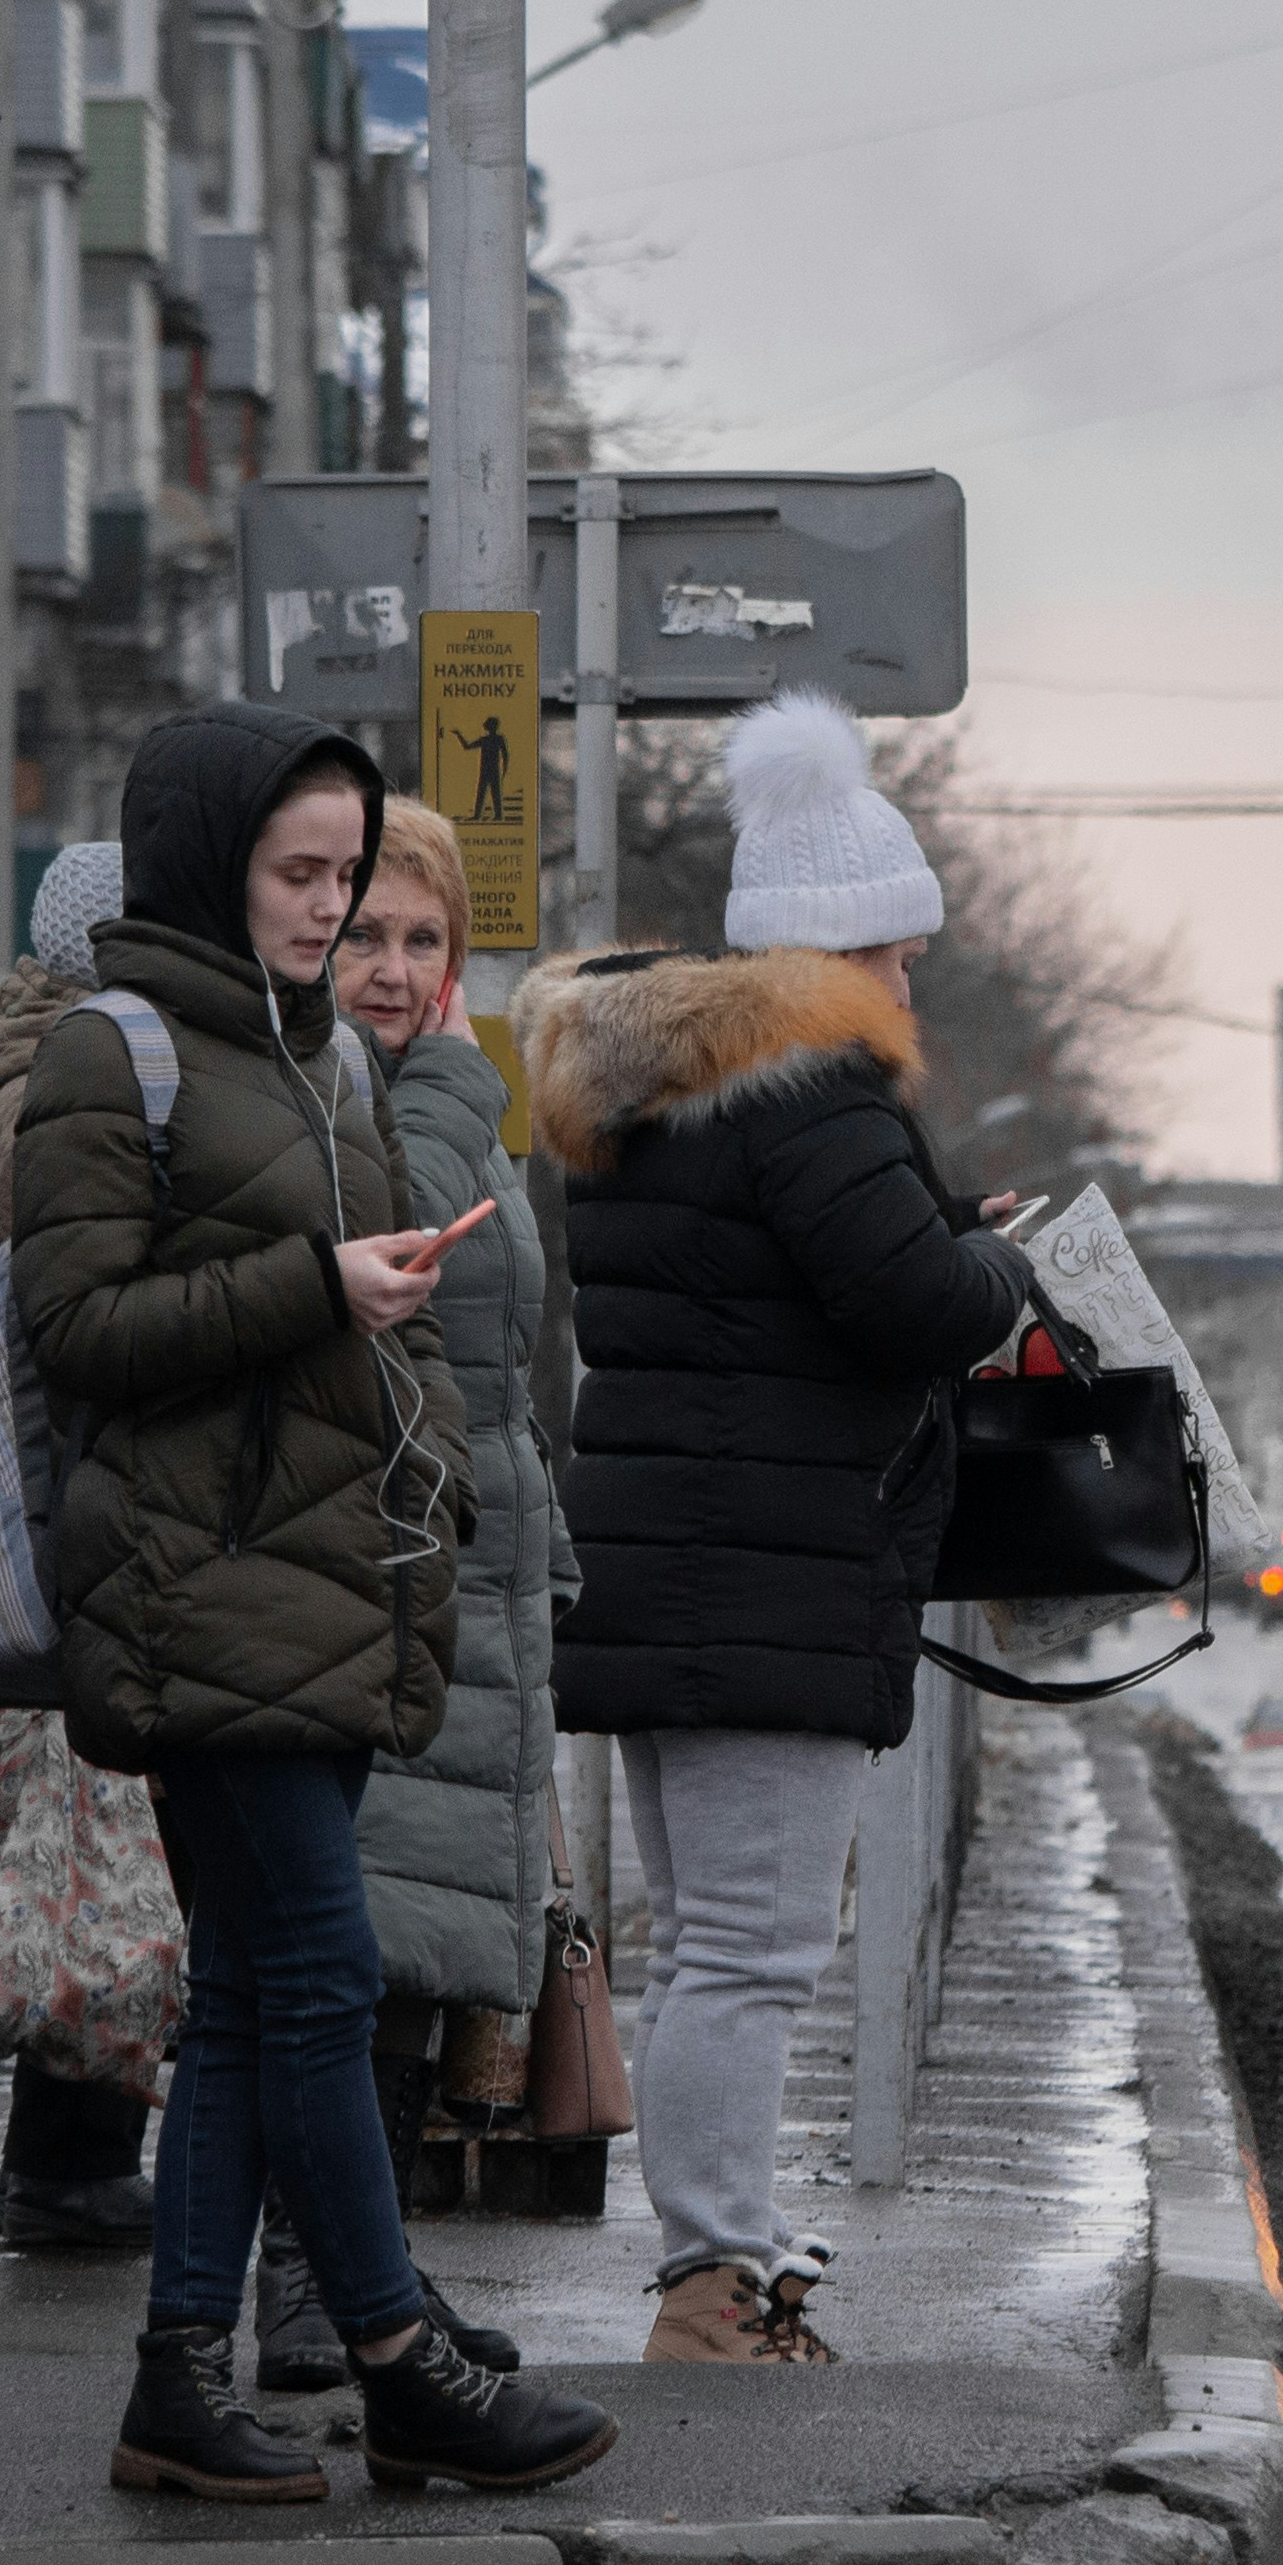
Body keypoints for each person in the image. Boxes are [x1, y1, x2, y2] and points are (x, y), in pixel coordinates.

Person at [15, 704, 612, 2501]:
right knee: (323, 1978)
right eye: (302, 876)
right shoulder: (111, 1059)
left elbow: (367, 1329)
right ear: (214, 863)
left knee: (262, 2000)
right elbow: (80, 1337)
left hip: (327, 1591)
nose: (331, 912)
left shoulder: (319, 1067)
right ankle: (392, 2349)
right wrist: (312, 1290)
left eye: (350, 877)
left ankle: (180, 2378)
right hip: (192, 1596)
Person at [518, 690, 1037, 2368]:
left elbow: (773, 1285)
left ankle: (716, 2259)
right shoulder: (816, 1093)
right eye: (896, 954)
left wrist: (939, 1228)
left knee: (702, 1953)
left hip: (671, 1567)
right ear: (835, 958)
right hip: (762, 1583)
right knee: (746, 1956)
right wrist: (1002, 1265)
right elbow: (910, 1306)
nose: (909, 988)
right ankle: (711, 2284)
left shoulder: (660, 1092)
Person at [246, 800, 569, 2392]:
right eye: (361, 929)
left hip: (471, 1565)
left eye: (420, 940)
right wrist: (451, 1073)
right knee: (360, 1948)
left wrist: (544, 1537)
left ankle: (371, 2270)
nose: (387, 965)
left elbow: (503, 1359)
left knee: (429, 1954)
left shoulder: (433, 1080)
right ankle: (312, 2285)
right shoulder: (361, 1083)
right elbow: (413, 1233)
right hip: (367, 1559)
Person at [0, 838, 189, 2256]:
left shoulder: (23, 1082)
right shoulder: (47, 1105)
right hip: (64, 1519)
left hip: (54, 1517)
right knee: (92, 1861)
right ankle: (68, 2169)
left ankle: (72, 2158)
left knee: (88, 1857)